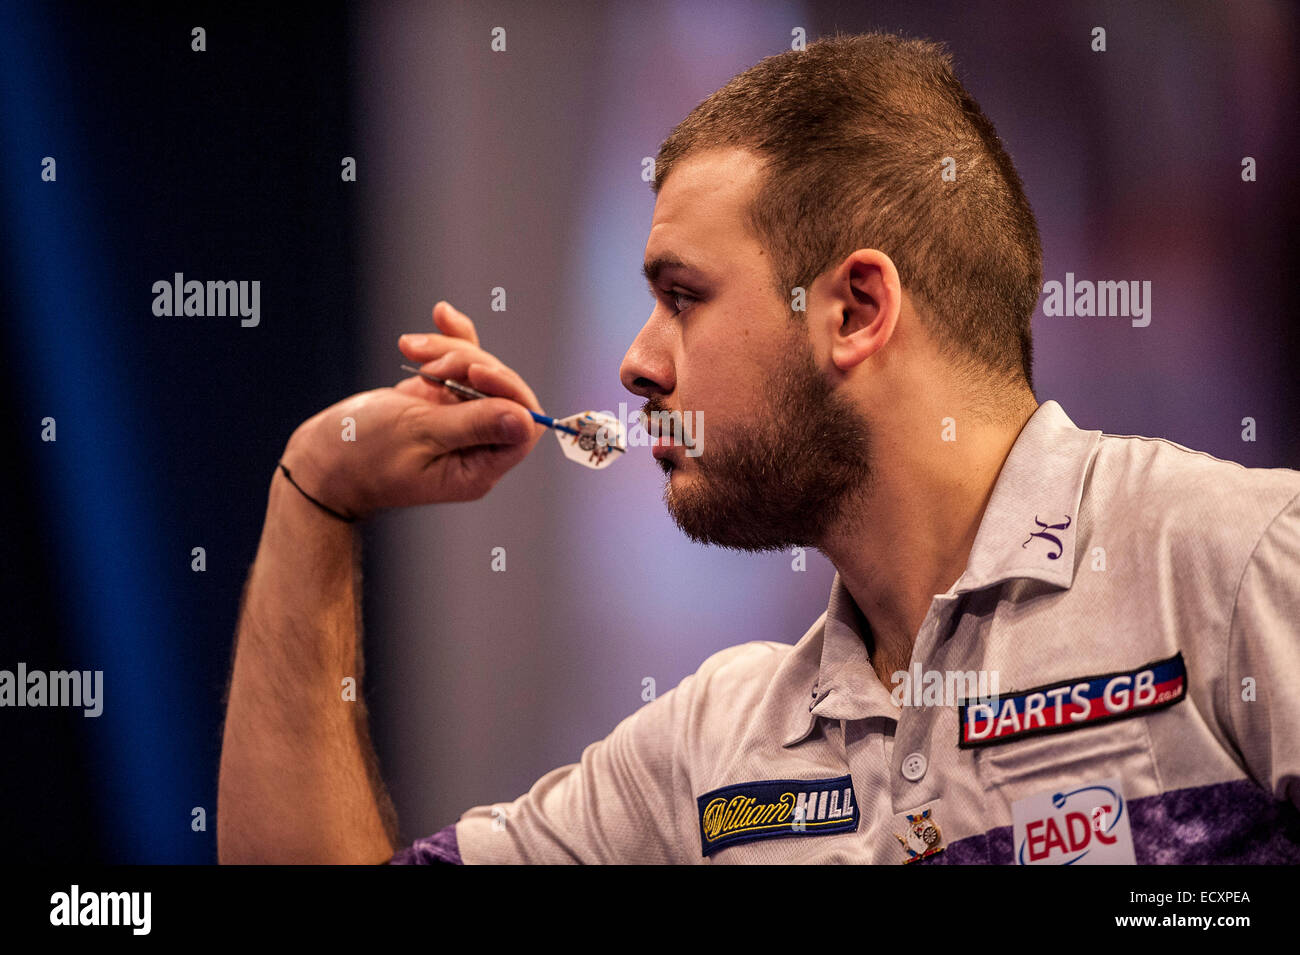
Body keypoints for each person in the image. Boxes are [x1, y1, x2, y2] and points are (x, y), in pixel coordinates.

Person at [217, 32, 1300, 865]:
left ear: (854, 309)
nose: (637, 365)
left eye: (681, 297)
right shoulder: (710, 747)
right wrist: (315, 496)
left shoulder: (1235, 559)